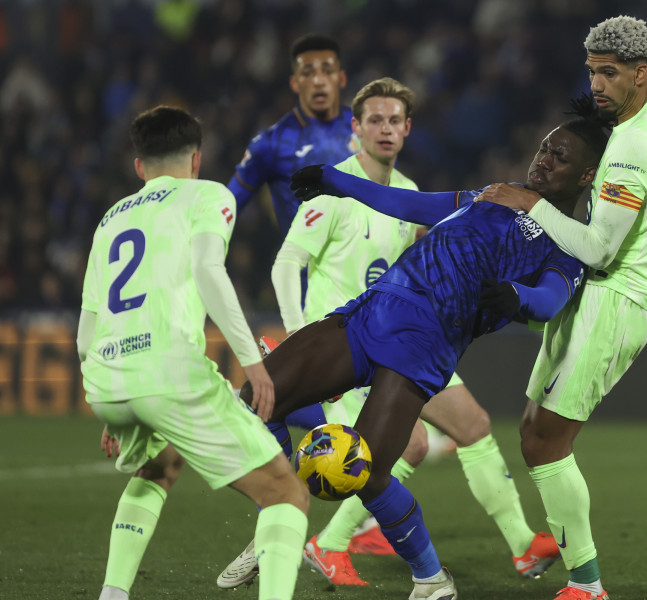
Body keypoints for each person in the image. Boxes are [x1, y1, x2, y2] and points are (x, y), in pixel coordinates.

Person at [308, 16, 647, 600]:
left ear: (640, 73)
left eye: (609, 73)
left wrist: (527, 203)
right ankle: (545, 557)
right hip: (621, 293)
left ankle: (587, 586)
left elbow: (598, 248)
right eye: (592, 70)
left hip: (614, 298)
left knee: (546, 442)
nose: (596, 84)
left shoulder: (629, 149)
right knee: (534, 435)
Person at [240, 107, 609, 600]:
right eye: (544, 147)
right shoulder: (495, 194)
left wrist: (519, 298)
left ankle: (431, 580)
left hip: (424, 344)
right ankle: (279, 523)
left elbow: (551, 301)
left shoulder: (569, 245)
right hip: (373, 310)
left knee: (367, 474)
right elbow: (416, 205)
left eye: (559, 156)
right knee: (258, 396)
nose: (543, 160)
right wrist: (336, 180)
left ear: (586, 174)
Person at [77, 106, 309, 600]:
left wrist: (118, 396)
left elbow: (85, 332)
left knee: (159, 464)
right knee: (286, 492)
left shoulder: (108, 220)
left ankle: (112, 595)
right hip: (168, 372)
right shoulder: (209, 195)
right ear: (197, 159)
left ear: (139, 167)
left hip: (107, 378)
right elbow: (209, 271)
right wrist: (253, 362)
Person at [227, 32, 357, 236]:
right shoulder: (271, 144)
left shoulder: (369, 131)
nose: (318, 81)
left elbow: (393, 187)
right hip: (306, 264)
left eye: (327, 71)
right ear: (295, 83)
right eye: (308, 73)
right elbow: (228, 207)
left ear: (341, 78)